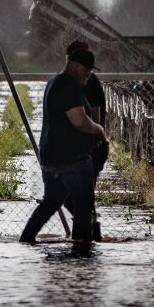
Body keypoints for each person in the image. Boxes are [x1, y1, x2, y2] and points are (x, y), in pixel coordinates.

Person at [19, 47, 107, 244]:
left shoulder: (54, 81)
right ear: (74, 65)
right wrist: (99, 129)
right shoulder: (68, 86)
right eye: (87, 70)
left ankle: (26, 240)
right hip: (72, 159)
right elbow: (79, 121)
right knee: (83, 207)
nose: (89, 75)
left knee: (51, 201)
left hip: (52, 157)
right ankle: (81, 252)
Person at [63, 40, 109, 239]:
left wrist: (91, 141)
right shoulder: (77, 81)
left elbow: (95, 115)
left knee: (74, 195)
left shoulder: (89, 81)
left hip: (90, 149)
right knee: (78, 196)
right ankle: (87, 235)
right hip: (81, 148)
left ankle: (88, 235)